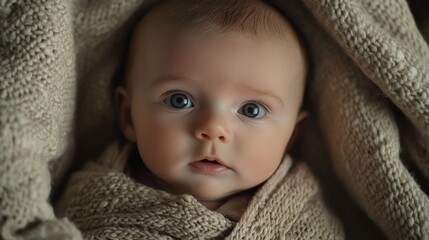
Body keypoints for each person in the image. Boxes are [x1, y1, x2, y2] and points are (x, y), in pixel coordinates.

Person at [62, 0, 344, 238]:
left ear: (290, 136)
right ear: (129, 117)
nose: (213, 129)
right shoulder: (94, 199)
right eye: (179, 100)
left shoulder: (300, 217)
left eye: (251, 110)